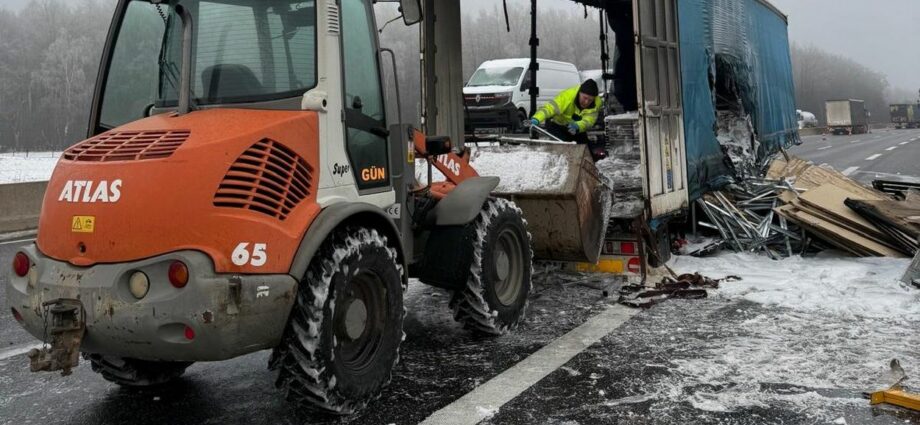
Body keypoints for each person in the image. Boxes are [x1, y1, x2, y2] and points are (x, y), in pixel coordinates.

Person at [529, 79, 602, 145]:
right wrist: (537, 118)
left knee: (584, 147)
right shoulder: (567, 97)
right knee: (563, 146)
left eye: (590, 100)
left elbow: (588, 121)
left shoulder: (596, 104)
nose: (586, 102)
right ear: (579, 93)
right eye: (585, 98)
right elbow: (549, 109)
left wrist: (578, 126)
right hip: (556, 125)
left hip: (575, 128)